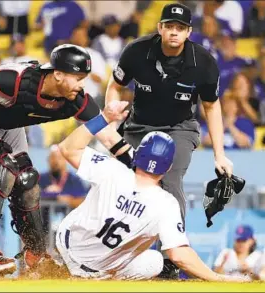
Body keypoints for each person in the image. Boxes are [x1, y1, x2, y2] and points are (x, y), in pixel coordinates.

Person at [0, 44, 129, 275]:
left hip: (8, 122)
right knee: (3, 167)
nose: (82, 84)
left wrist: (135, 165)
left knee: (27, 179)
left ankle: (36, 255)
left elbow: (107, 135)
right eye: (77, 77)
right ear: (57, 74)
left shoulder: (76, 99)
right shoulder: (11, 81)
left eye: (84, 77)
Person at [104, 2, 234, 278]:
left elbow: (212, 106)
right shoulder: (136, 51)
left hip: (180, 128)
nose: (174, 32)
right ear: (160, 28)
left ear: (188, 32)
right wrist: (111, 124)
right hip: (138, 126)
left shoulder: (203, 62)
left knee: (170, 180)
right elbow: (115, 86)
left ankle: (171, 261)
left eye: (181, 28)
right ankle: (116, 254)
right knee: (125, 183)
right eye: (169, 26)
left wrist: (219, 155)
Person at [56, 100, 248, 282]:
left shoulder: (112, 169)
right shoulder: (166, 203)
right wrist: (218, 277)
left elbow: (68, 148)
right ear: (168, 167)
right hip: (99, 270)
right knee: (155, 261)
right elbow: (179, 255)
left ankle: (60, 265)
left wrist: (104, 118)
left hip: (67, 245)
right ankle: (103, 278)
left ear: (138, 154)